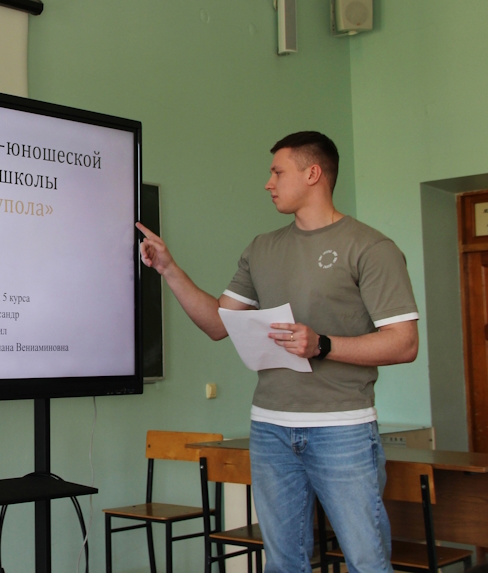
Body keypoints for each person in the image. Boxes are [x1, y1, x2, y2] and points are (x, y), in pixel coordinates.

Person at [137, 131, 418, 573]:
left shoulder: (371, 248)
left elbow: (404, 342)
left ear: (312, 173)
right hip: (270, 428)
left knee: (366, 560)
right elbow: (217, 324)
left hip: (342, 429)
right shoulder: (262, 248)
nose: (268, 183)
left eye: (277, 172)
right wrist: (169, 269)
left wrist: (322, 344)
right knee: (283, 563)